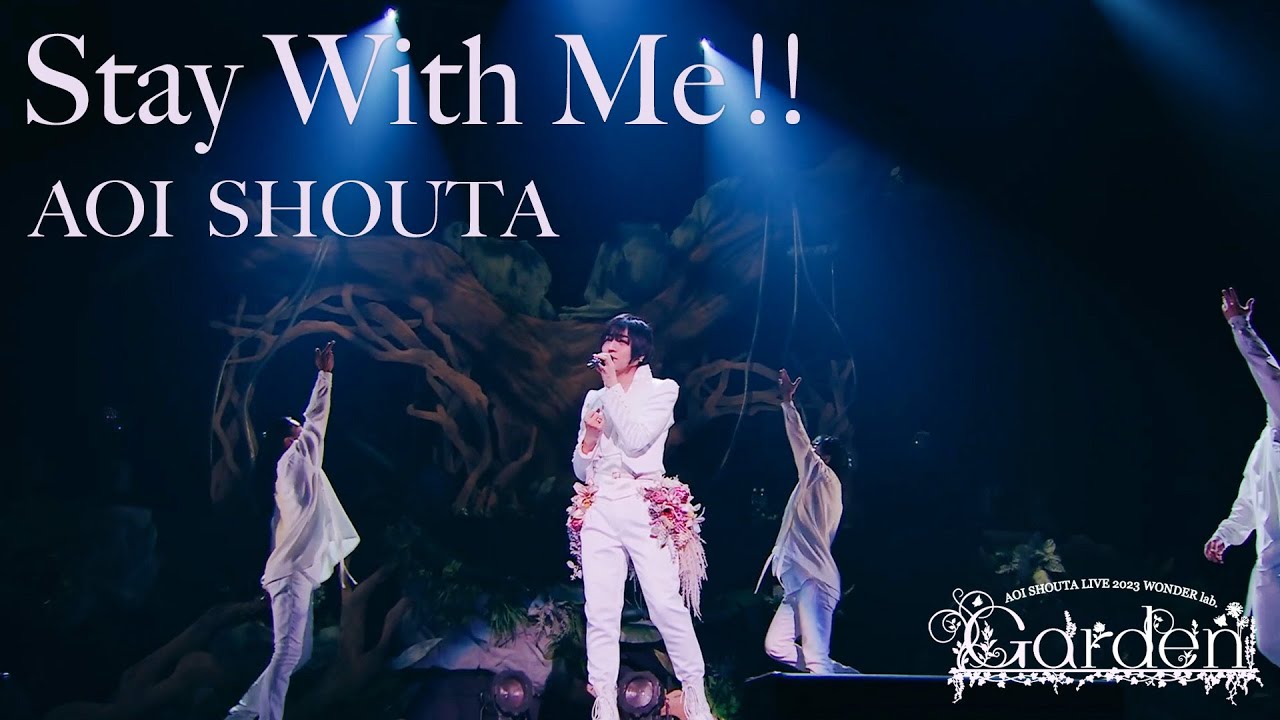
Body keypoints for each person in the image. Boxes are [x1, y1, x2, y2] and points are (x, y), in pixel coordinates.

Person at [566, 314, 715, 720]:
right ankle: (604, 702)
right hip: (600, 505)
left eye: (621, 340)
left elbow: (635, 441)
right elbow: (581, 469)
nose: (611, 346)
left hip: (642, 503)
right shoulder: (594, 398)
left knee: (664, 602)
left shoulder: (663, 390)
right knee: (600, 610)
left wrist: (611, 386)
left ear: (640, 352)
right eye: (608, 338)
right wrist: (590, 439)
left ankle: (694, 693)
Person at [226, 340, 361, 720]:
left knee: (298, 655)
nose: (305, 436)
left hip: (292, 572)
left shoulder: (291, 476)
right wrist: (325, 377)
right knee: (286, 655)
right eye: (298, 432)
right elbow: (316, 422)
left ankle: (240, 714)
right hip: (290, 575)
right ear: (290, 440)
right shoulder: (293, 461)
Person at [757, 368, 858, 674]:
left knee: (815, 657)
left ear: (825, 458)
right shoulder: (812, 487)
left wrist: (788, 403)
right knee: (776, 646)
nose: (810, 453)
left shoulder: (823, 478)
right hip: (799, 583)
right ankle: (844, 676)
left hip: (815, 580)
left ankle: (831, 680)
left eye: (816, 450)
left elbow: (799, 441)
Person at [1204, 288, 1280, 668]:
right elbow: (1249, 501)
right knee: (1264, 645)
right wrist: (1226, 534)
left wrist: (1240, 326)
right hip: (1271, 568)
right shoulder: (1266, 442)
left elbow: (1267, 372)